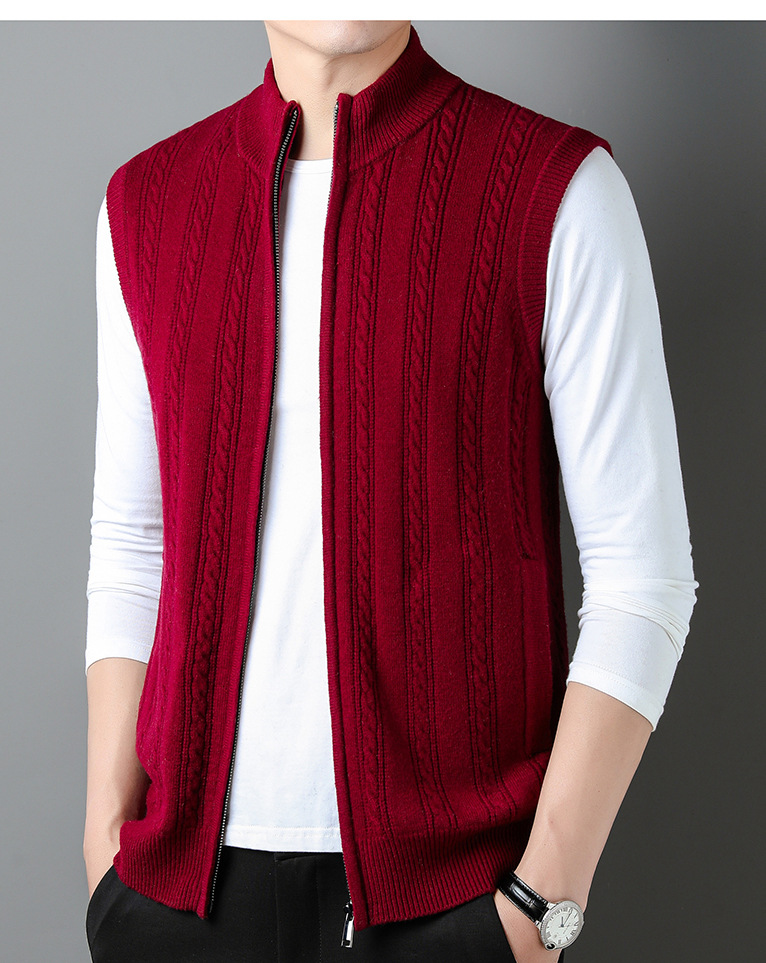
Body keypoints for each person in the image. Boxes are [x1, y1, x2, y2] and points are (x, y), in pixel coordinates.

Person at [83, 20, 697, 963]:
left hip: (458, 904)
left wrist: (542, 903)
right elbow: (135, 544)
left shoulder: (557, 188)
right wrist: (105, 847)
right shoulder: (146, 202)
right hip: (178, 898)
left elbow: (641, 575)